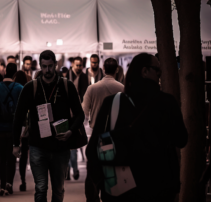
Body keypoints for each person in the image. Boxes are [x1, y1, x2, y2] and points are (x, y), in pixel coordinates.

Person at [86, 53, 188, 202]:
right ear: (144, 71)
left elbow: (93, 148)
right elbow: (182, 140)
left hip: (120, 188)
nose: (160, 73)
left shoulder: (113, 103)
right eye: (156, 69)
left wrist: (99, 182)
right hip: (160, 187)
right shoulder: (167, 103)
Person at [12, 50, 84, 202]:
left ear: (56, 65)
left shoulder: (66, 86)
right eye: (44, 67)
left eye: (50, 66)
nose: (47, 70)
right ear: (39, 65)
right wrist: (15, 144)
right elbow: (18, 117)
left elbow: (80, 114)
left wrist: (71, 131)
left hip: (61, 147)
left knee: (58, 190)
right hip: (38, 147)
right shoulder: (30, 88)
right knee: (41, 188)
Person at [82, 58, 124, 202]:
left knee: (94, 170)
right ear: (117, 70)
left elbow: (84, 112)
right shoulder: (122, 89)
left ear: (103, 69)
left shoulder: (92, 88)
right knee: (112, 173)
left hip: (97, 137)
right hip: (116, 137)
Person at [0, 63, 23, 196]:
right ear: (15, 74)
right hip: (13, 129)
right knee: (11, 158)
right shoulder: (19, 88)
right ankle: (9, 184)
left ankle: (1, 185)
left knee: (1, 159)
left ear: (5, 71)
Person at [65, 56, 88, 180]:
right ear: (72, 64)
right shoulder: (66, 75)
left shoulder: (84, 77)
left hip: (77, 114)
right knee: (69, 146)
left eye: (80, 65)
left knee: (73, 145)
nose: (79, 67)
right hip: (66, 114)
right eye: (77, 65)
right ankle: (70, 169)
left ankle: (72, 169)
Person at [13, 70, 31, 191]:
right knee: (24, 155)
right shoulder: (27, 90)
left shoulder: (14, 90)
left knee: (13, 156)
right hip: (26, 128)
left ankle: (9, 181)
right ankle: (23, 180)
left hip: (15, 126)